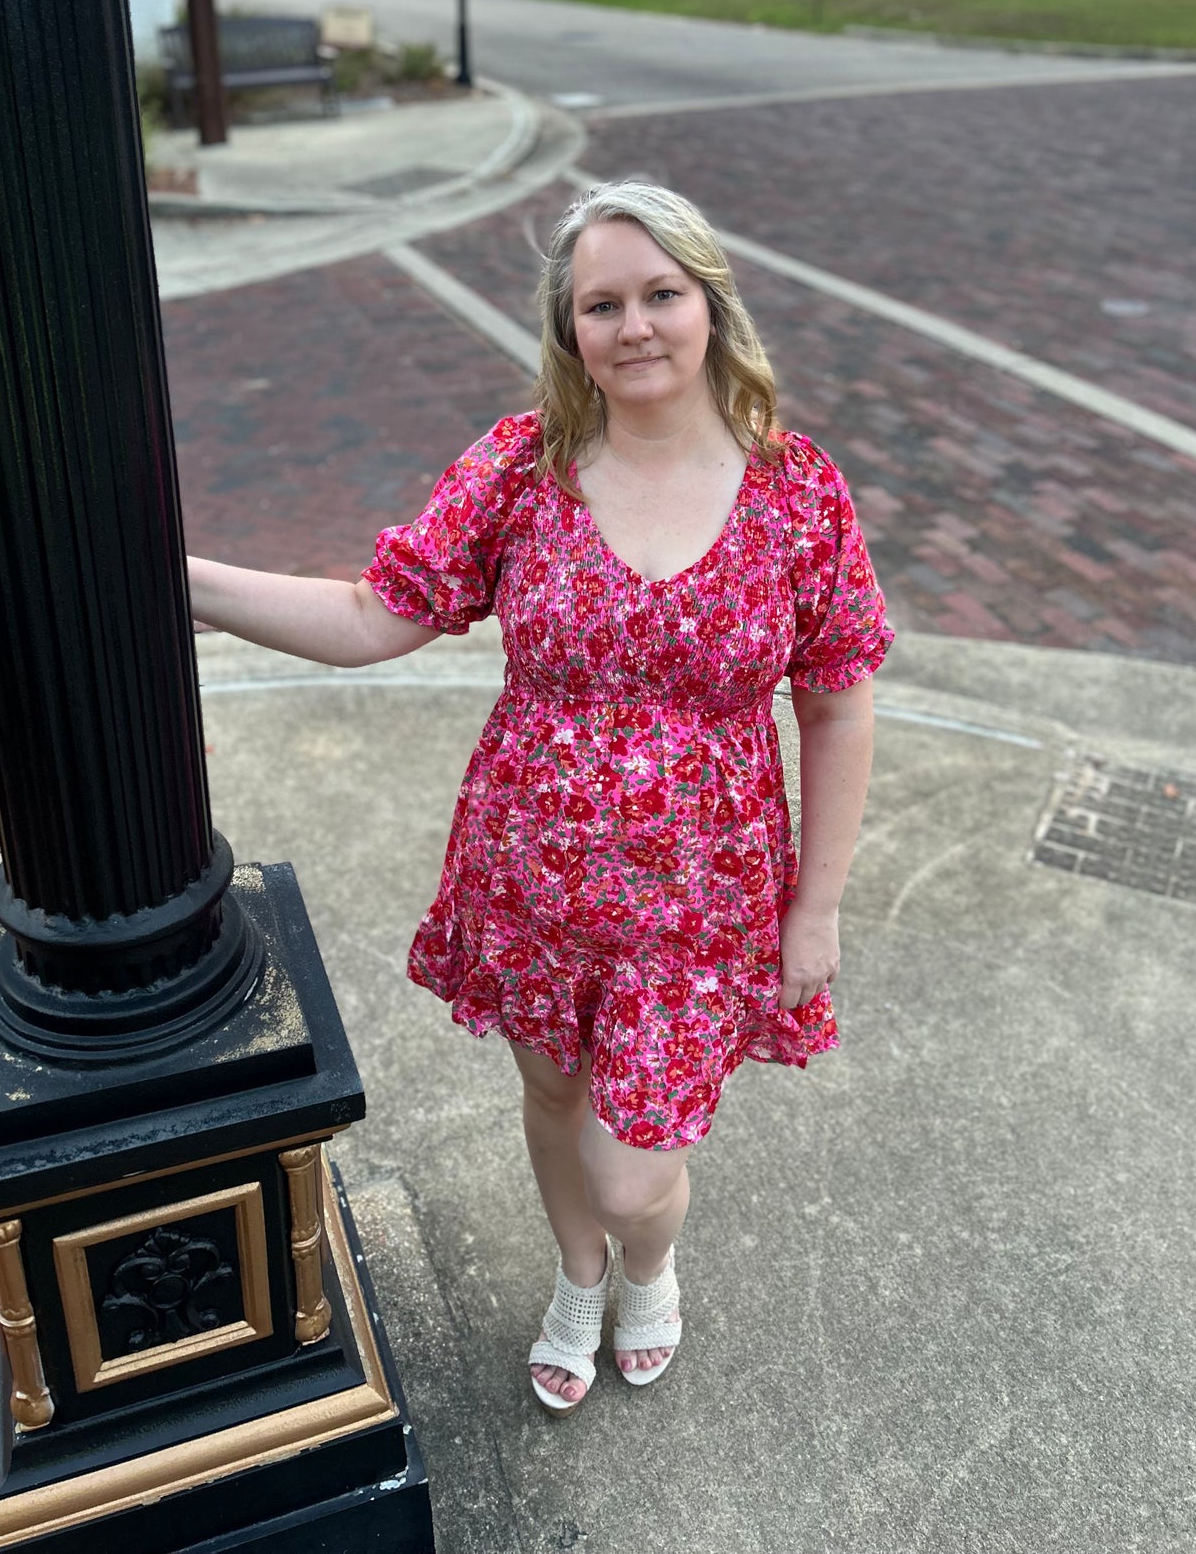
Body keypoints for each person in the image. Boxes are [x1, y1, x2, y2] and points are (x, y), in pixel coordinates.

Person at [186, 179, 892, 1414]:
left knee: (633, 1170)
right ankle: (576, 1280)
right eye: (599, 304)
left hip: (702, 899)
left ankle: (645, 1260)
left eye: (659, 294)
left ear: (708, 305)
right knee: (552, 1091)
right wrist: (178, 577)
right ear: (569, 330)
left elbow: (834, 701)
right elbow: (370, 616)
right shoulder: (523, 469)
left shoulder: (796, 491)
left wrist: (816, 908)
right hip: (531, 874)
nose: (633, 327)